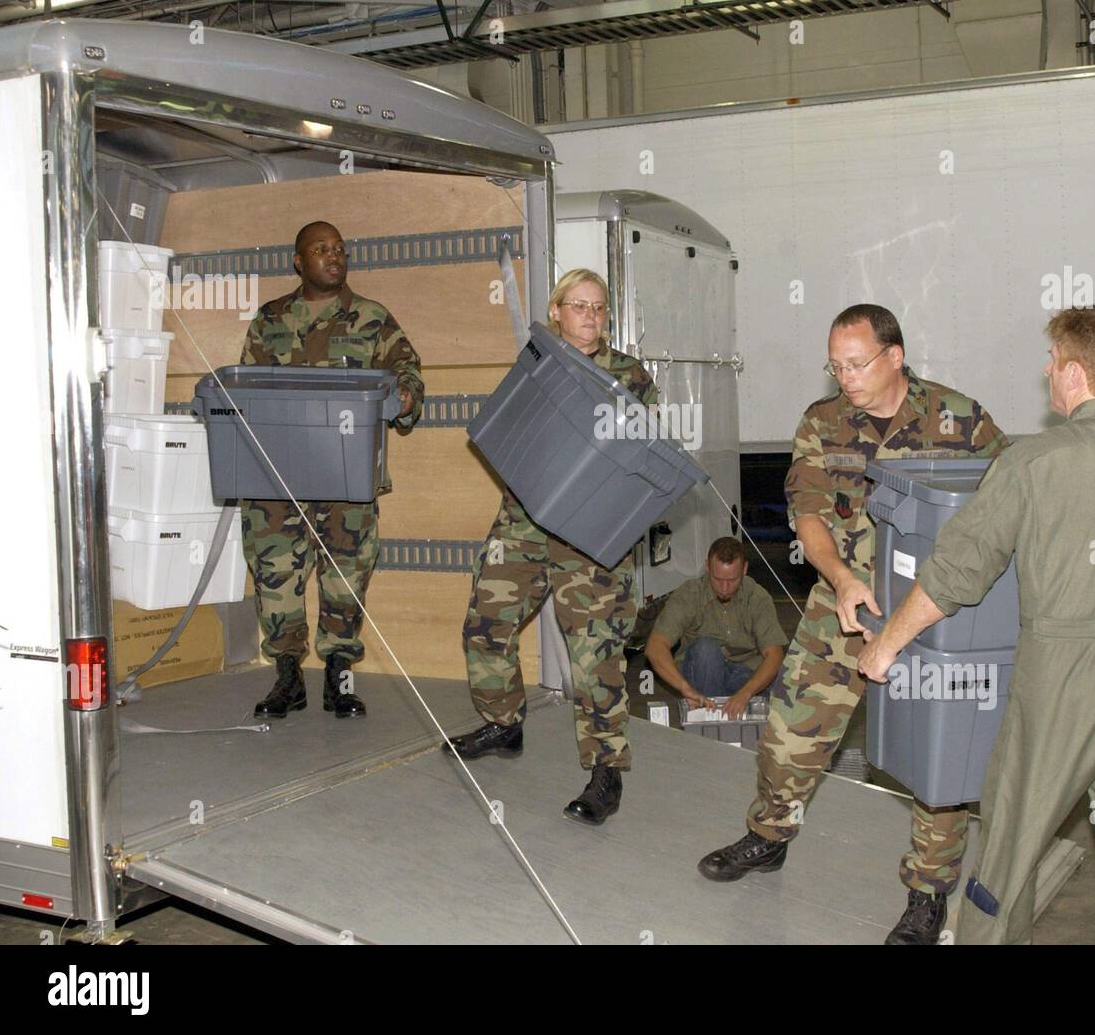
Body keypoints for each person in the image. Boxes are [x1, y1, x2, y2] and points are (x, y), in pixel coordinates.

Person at [857, 308, 1095, 945]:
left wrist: (887, 645)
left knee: (1009, 855)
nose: (1046, 372)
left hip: (1067, 680)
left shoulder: (1034, 462)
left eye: (1052, 363)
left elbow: (955, 575)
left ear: (1075, 375)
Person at [696, 303, 1007, 947]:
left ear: (895, 355)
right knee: (788, 736)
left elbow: (1002, 514)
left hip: (932, 622)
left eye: (857, 363)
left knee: (936, 767)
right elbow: (806, 515)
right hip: (841, 608)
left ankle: (928, 895)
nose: (845, 377)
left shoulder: (962, 419)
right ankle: (769, 835)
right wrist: (841, 578)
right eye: (835, 365)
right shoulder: (823, 421)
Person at [446, 268, 659, 826]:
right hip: (524, 521)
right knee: (484, 624)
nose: (590, 316)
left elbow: (641, 451)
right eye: (579, 306)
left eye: (599, 308)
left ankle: (605, 772)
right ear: (557, 311)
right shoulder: (537, 362)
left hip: (590, 532)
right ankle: (504, 722)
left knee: (595, 657)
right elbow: (507, 428)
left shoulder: (628, 375)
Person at [240, 220, 424, 720]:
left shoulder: (372, 318)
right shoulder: (269, 319)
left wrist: (405, 396)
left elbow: (407, 371)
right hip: (277, 480)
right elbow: (246, 389)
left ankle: (339, 681)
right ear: (298, 261)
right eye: (322, 249)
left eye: (340, 249)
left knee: (346, 579)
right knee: (276, 576)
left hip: (347, 478)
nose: (334, 256)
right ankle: (287, 677)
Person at [643, 537, 787, 718]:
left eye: (732, 580)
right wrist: (684, 688)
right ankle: (710, 721)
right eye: (717, 579)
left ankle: (743, 726)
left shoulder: (757, 597)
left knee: (787, 681)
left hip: (742, 676)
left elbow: (774, 654)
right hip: (702, 672)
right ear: (707, 568)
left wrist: (746, 694)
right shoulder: (689, 594)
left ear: (744, 569)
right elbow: (655, 647)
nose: (725, 588)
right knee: (706, 650)